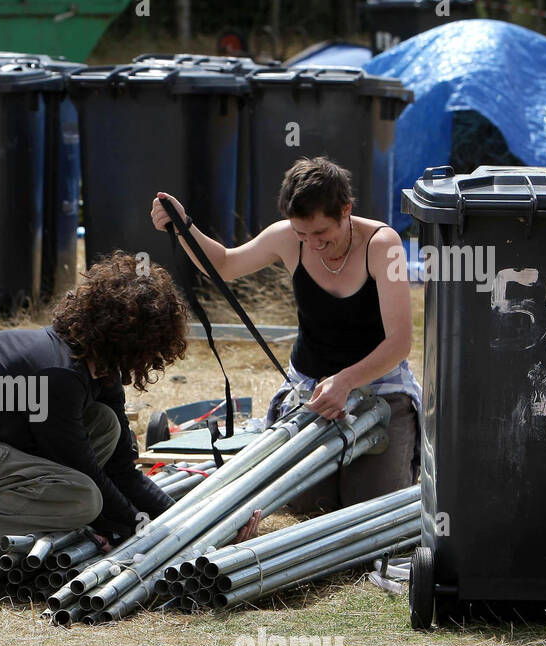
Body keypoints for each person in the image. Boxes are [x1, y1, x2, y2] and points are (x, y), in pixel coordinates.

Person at [0, 252, 188, 571]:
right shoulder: (57, 373)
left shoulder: (98, 372)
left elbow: (121, 470)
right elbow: (85, 474)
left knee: (104, 424)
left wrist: (183, 523)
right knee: (82, 498)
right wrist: (139, 529)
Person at [151, 155, 421, 512]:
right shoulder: (286, 238)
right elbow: (225, 264)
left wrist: (344, 382)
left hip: (379, 388)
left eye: (322, 232)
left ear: (345, 210)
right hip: (311, 387)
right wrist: (184, 226)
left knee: (368, 509)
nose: (312, 243)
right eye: (302, 234)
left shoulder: (382, 245)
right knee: (308, 506)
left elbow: (400, 342)